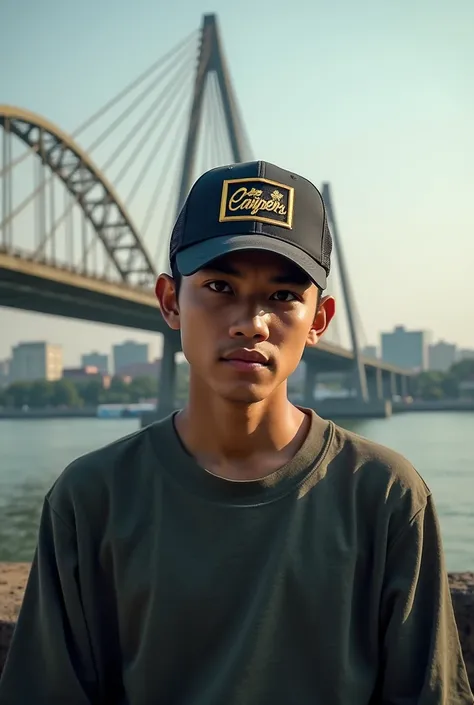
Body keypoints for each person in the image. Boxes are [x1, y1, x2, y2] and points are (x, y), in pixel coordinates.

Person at [0, 161, 472, 705]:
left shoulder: (385, 495)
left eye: (283, 296)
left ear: (320, 320)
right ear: (170, 301)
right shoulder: (91, 499)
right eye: (220, 286)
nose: (252, 322)